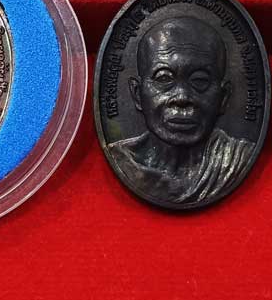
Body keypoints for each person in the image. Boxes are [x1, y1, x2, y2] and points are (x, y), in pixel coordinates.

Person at [108, 16, 254, 205]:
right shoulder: (124, 159)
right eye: (164, 78)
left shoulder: (236, 160)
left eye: (199, 80)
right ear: (137, 94)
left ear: (223, 97)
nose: (182, 97)